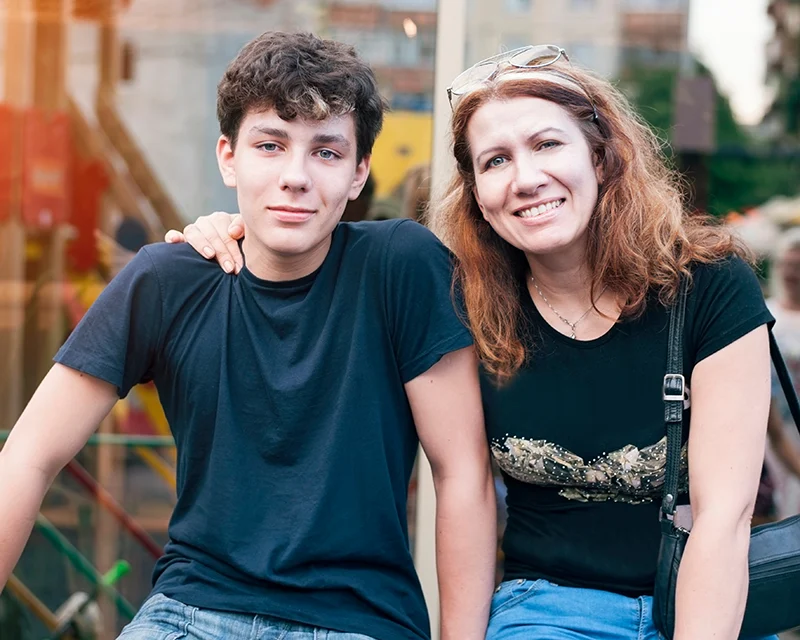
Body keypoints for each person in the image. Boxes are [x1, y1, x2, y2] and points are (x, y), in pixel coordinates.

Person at [180, 44, 777, 639]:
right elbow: (458, 479)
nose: (526, 179)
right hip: (547, 612)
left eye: (547, 145)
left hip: (705, 597)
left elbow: (724, 518)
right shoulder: (460, 300)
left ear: (600, 157)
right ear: (477, 195)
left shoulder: (708, 286)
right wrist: (230, 234)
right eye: (496, 161)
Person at [0, 31, 497, 640]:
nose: (295, 176)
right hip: (188, 613)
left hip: (356, 620)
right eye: (270, 145)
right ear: (228, 157)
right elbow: (28, 455)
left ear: (359, 172)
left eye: (326, 152)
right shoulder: (168, 279)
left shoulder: (401, 266)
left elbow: (461, 472)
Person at [761, 229, 800, 521]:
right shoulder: (766, 314)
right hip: (777, 428)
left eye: (797, 266)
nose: (791, 273)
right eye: (787, 264)